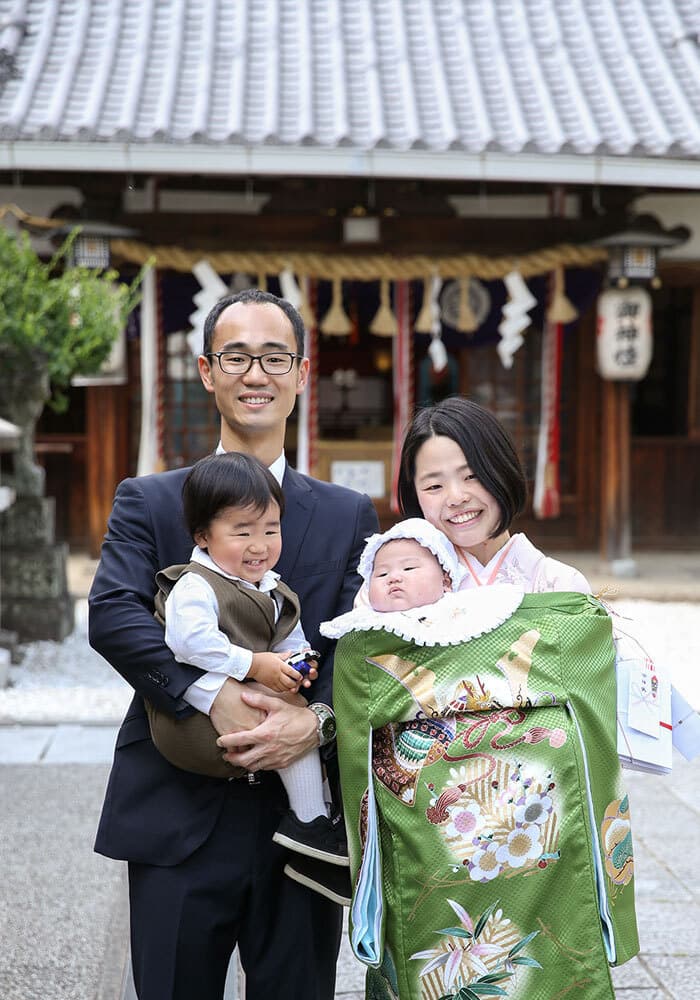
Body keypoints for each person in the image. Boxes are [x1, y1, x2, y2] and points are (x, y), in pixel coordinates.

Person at [89, 288, 378, 1000]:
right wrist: (209, 693)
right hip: (176, 802)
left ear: (303, 374)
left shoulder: (347, 515)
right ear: (207, 370)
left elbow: (361, 646)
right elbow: (112, 614)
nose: (257, 373)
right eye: (237, 356)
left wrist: (314, 721)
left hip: (298, 825)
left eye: (274, 356)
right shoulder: (152, 499)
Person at [327, 398, 640, 998]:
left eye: (471, 475)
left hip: (543, 842)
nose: (456, 496)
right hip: (432, 843)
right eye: (434, 483)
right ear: (412, 496)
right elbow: (366, 695)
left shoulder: (555, 587)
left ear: (501, 473)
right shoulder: (395, 592)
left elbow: (591, 715)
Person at [148, 450, 348, 875]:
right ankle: (312, 821)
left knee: (297, 712)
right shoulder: (195, 585)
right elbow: (190, 644)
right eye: (242, 533)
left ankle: (313, 820)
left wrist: (298, 662)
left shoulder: (271, 587)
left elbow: (289, 634)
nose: (260, 545)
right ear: (203, 535)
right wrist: (256, 665)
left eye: (271, 529)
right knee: (282, 713)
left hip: (242, 708)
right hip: (197, 722)